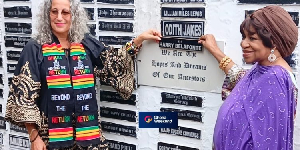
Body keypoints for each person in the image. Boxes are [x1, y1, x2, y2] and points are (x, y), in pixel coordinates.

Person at [4, 0, 161, 149]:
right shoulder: (35, 48)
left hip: (89, 136)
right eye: (54, 11)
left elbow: (113, 63)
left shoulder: (85, 43)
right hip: (51, 139)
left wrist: (138, 41)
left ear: (74, 15)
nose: (59, 17)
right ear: (47, 14)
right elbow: (23, 98)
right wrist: (34, 137)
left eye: (65, 12)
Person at [198, 5, 298, 150]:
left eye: (252, 38)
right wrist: (214, 50)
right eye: (244, 37)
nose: (243, 43)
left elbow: (268, 142)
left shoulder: (275, 79)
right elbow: (240, 78)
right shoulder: (263, 70)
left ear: (274, 42)